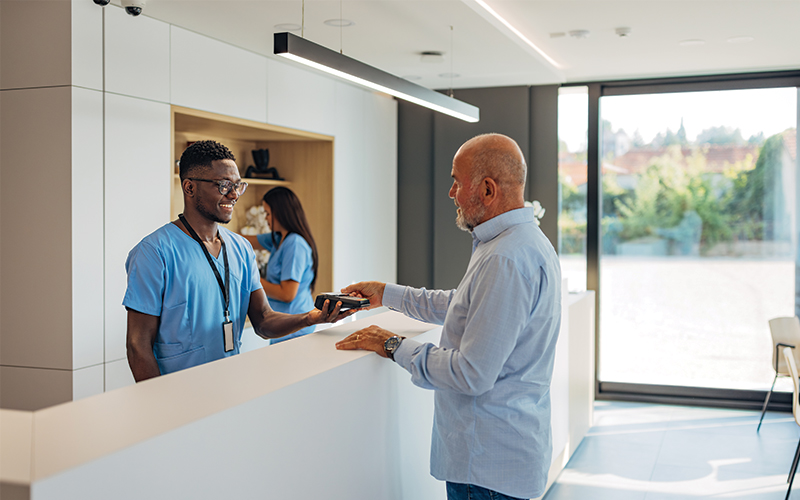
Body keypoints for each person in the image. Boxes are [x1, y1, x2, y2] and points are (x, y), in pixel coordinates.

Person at [336, 133, 561, 500]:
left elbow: (471, 373)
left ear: (487, 190)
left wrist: (393, 345)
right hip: (499, 460)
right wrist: (387, 294)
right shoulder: (520, 242)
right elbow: (468, 306)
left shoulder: (505, 258)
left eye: (457, 181)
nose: (451, 193)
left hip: (486, 469)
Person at [124, 140, 351, 382]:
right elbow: (138, 345)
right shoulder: (153, 252)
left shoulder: (241, 249)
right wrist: (158, 408)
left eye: (237, 186)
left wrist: (311, 317)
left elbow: (263, 320)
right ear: (189, 187)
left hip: (230, 384)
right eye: (223, 185)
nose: (233, 195)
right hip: (177, 392)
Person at [239, 187, 318, 344]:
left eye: (268, 213)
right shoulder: (277, 238)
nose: (266, 219)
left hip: (295, 327)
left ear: (280, 213)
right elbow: (243, 240)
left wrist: (251, 279)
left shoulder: (295, 244)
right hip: (282, 325)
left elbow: (287, 294)